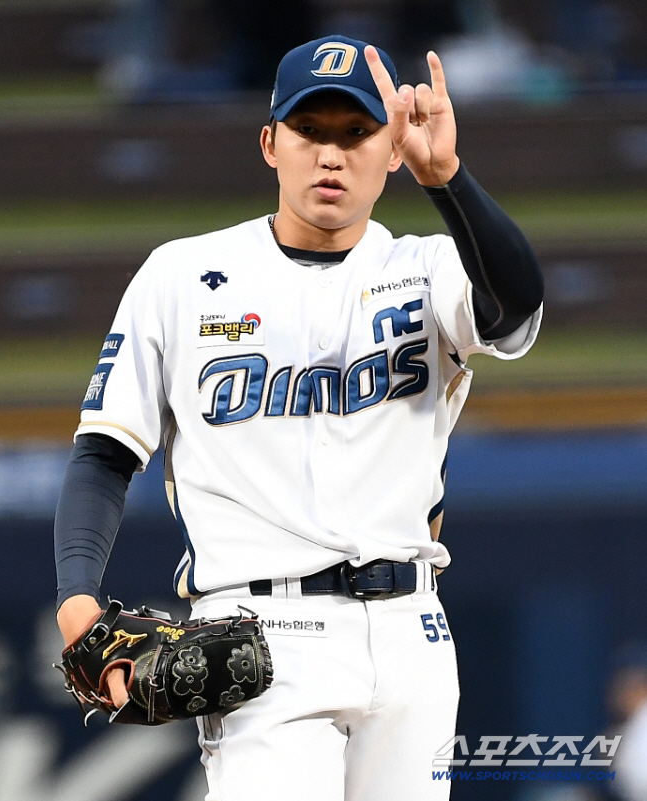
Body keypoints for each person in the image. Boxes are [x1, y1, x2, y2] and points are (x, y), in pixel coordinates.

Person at [55, 34, 543, 801]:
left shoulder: (426, 268)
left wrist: (445, 179)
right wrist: (78, 596)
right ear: (270, 142)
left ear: (391, 152)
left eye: (357, 132)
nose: (331, 154)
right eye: (310, 129)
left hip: (412, 629)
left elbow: (515, 307)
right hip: (259, 635)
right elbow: (103, 454)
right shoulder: (183, 276)